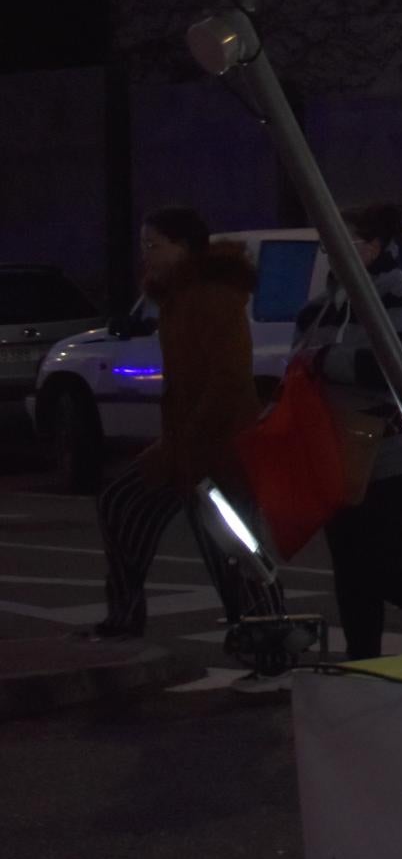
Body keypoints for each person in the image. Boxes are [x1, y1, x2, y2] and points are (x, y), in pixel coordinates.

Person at [84, 208, 258, 641]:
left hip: (216, 450)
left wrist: (188, 440)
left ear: (183, 247)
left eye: (153, 245)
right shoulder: (177, 298)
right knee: (122, 505)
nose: (146, 255)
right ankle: (126, 616)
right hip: (186, 448)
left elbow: (228, 378)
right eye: (144, 245)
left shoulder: (212, 296)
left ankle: (263, 636)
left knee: (231, 549)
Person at [292, 203, 402, 660]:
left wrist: (322, 362)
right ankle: (363, 657)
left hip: (386, 452)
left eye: (343, 241)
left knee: (383, 562)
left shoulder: (400, 294)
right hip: (335, 452)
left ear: (373, 247)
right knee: (350, 565)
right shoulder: (326, 302)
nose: (330, 252)